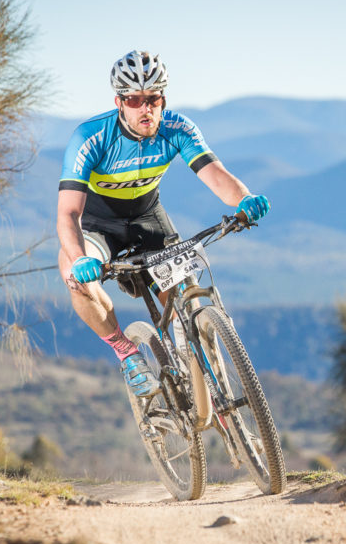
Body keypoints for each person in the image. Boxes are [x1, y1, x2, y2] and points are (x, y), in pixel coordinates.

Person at [57, 50, 269, 398]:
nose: (145, 108)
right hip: (98, 225)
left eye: (152, 98)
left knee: (187, 300)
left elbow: (216, 176)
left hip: (149, 220)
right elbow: (67, 214)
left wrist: (244, 198)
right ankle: (126, 352)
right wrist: (80, 258)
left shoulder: (177, 128)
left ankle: (209, 383)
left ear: (163, 99)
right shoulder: (90, 137)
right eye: (135, 100)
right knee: (73, 277)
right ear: (119, 101)